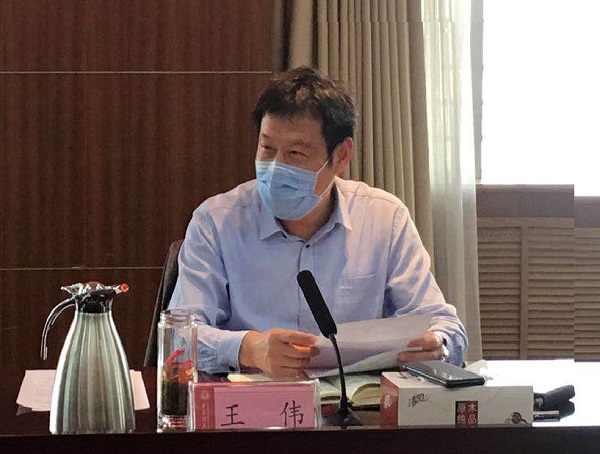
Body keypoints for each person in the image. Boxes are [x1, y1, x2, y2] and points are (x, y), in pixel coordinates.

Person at [168, 66, 468, 377]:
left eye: (295, 153)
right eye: (267, 148)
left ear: (341, 155)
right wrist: (249, 349)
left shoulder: (385, 219)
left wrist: (439, 345)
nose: (275, 168)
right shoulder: (216, 222)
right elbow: (178, 338)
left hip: (355, 401)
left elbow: (444, 325)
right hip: (250, 399)